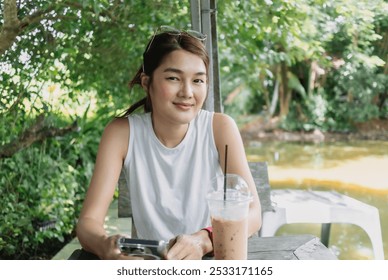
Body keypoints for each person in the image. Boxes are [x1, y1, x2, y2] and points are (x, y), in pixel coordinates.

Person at [76, 26, 261, 260]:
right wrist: (105, 246)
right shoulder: (121, 133)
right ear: (146, 82)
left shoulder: (220, 128)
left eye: (198, 80)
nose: (187, 92)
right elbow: (88, 223)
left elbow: (253, 213)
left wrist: (202, 241)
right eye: (173, 78)